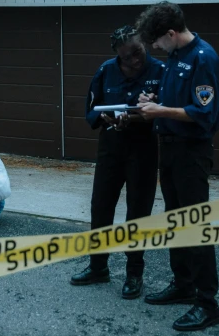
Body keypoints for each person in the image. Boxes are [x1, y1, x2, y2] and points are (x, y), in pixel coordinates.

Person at [136, 1, 219, 332]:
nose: (155, 49)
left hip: (191, 152)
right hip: (169, 149)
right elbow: (173, 101)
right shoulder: (174, 57)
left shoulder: (203, 58)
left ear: (171, 34)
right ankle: (183, 284)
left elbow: (203, 114)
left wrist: (161, 112)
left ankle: (207, 304)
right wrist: (151, 103)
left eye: (157, 42)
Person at [70, 25, 164, 300]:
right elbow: (91, 108)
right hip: (111, 146)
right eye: (127, 57)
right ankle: (98, 266)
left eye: (138, 52)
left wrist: (139, 116)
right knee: (101, 207)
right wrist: (105, 118)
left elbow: (169, 112)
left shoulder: (160, 71)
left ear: (144, 45)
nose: (135, 60)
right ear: (118, 57)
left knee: (138, 211)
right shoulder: (105, 71)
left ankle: (134, 274)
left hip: (143, 148)